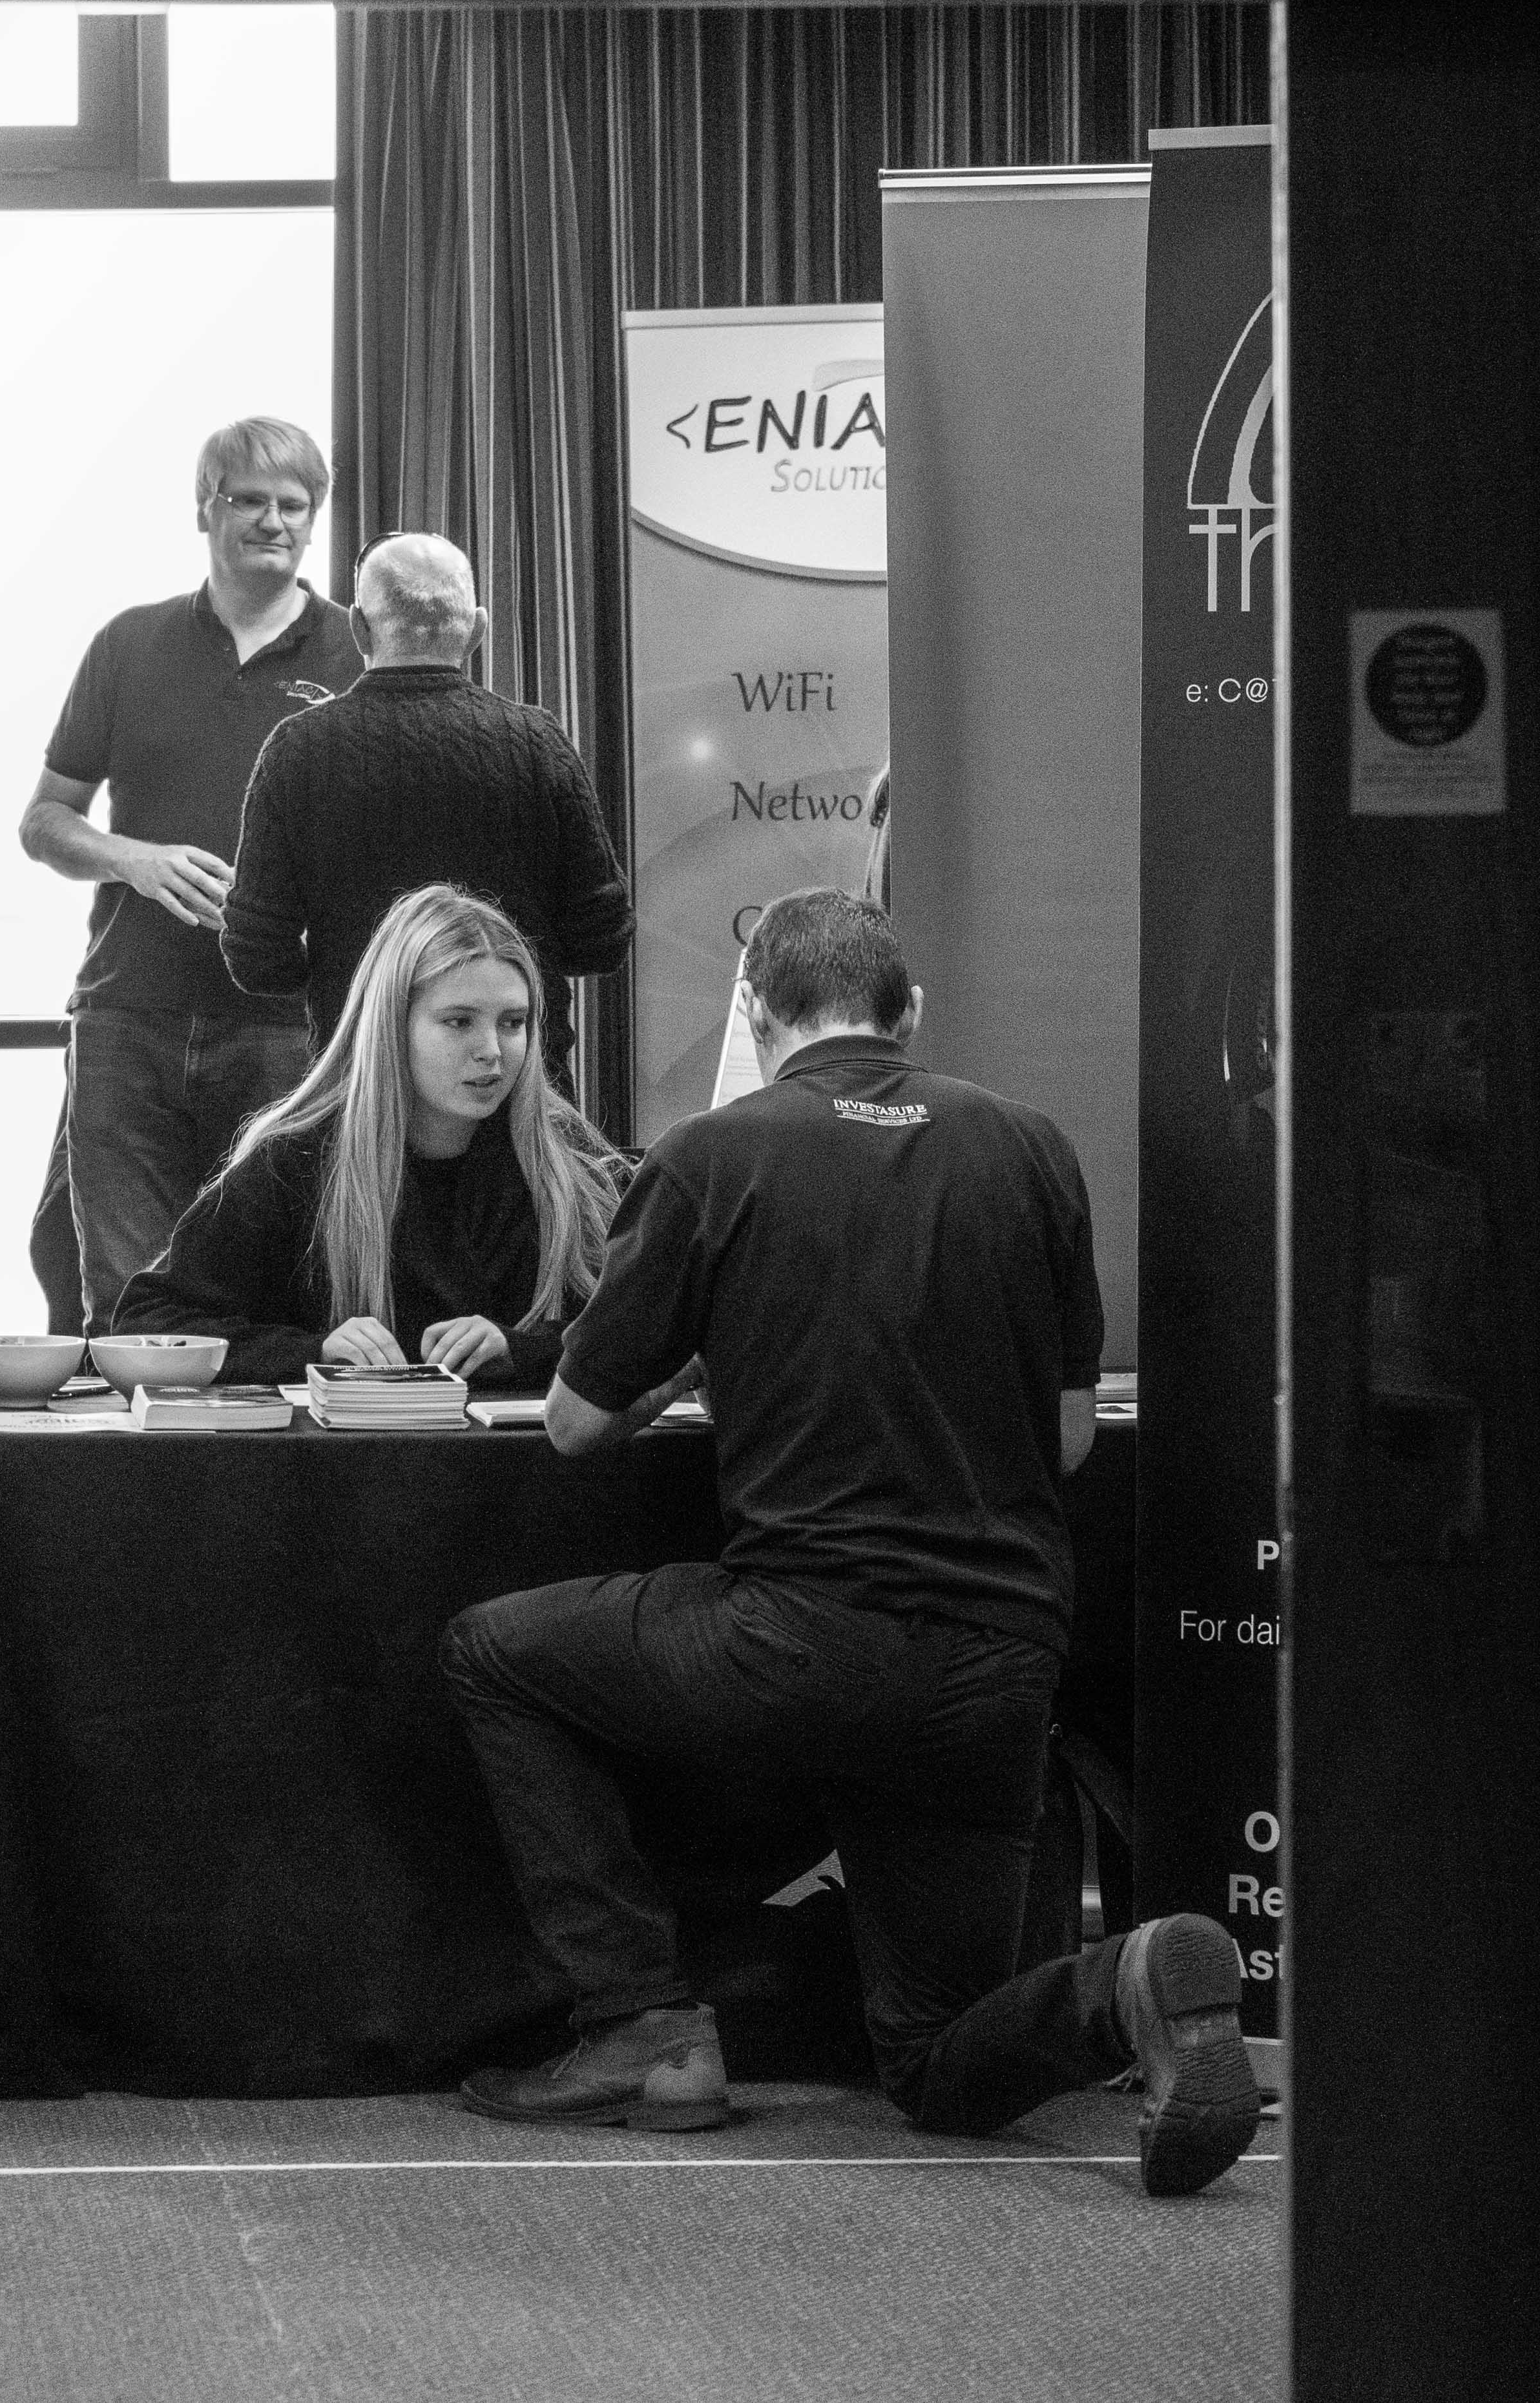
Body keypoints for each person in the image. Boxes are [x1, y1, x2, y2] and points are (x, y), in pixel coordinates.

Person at [435, 891, 1261, 2196]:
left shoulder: (710, 1155)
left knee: (492, 1654)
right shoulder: (1030, 1149)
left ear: (755, 1015)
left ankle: (641, 2021)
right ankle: (1128, 1981)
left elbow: (575, 1424)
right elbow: (1067, 1440)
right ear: (906, 1013)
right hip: (996, 1665)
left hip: (796, 1643)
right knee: (934, 2063)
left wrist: (701, 1353)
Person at [19, 418, 370, 1316]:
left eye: (294, 504)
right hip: (128, 1015)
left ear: (315, 518)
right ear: (204, 509)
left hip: (292, 1027)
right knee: (128, 1306)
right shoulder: (128, 643)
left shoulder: (358, 654)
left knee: (285, 1300)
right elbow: (44, 822)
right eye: (247, 499)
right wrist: (132, 860)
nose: (272, 521)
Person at [102, 884, 626, 1391]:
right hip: (347, 1451)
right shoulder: (296, 1159)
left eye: (512, 1022)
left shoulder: (571, 1161)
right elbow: (146, 1323)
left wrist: (523, 1351)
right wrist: (314, 1352)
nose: (491, 1049)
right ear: (392, 1025)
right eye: (458, 1021)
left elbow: (646, 1326)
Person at [218, 530, 630, 1088]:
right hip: (515, 1089)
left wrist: (355, 977)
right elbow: (602, 940)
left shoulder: (298, 749)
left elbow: (256, 959)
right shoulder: (538, 744)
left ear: (358, 627)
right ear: (477, 631)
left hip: (362, 1089)